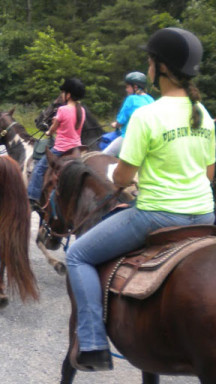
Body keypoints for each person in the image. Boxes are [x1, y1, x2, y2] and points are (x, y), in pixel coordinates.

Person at [66, 27, 214, 372]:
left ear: (160, 68)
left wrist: (133, 179)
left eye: (150, 60)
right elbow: (209, 174)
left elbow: (121, 178)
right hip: (207, 214)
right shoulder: (203, 114)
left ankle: (91, 343)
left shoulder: (147, 116)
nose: (148, 66)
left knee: (78, 255)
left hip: (158, 216)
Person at [27, 78, 86, 209]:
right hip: (76, 148)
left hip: (61, 149)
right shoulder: (81, 110)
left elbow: (52, 129)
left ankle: (32, 198)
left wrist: (49, 132)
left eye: (64, 92)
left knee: (38, 169)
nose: (63, 95)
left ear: (68, 95)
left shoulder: (63, 110)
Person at [102, 72, 154, 156]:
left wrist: (115, 124)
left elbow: (121, 121)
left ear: (135, 87)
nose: (126, 90)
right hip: (148, 139)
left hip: (129, 138)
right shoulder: (150, 99)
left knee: (103, 155)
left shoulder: (131, 99)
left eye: (127, 87)